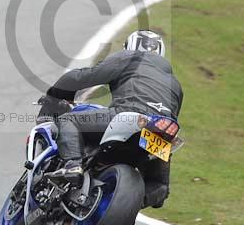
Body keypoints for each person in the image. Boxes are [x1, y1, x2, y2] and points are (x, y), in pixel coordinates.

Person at [38, 30, 183, 209]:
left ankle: (73, 165)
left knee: (69, 120)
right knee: (160, 187)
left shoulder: (129, 58)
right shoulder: (175, 83)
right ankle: (127, 204)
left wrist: (55, 94)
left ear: (129, 47)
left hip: (128, 117)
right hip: (161, 130)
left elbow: (84, 76)